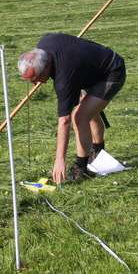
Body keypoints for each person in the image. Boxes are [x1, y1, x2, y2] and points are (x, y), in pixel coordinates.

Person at [18, 32, 126, 184]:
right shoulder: (44, 44)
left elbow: (64, 121)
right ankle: (98, 151)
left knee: (80, 117)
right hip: (86, 70)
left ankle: (81, 169)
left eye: (36, 79)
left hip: (111, 71)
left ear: (46, 67)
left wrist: (59, 160)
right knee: (88, 109)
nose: (35, 84)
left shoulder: (64, 79)